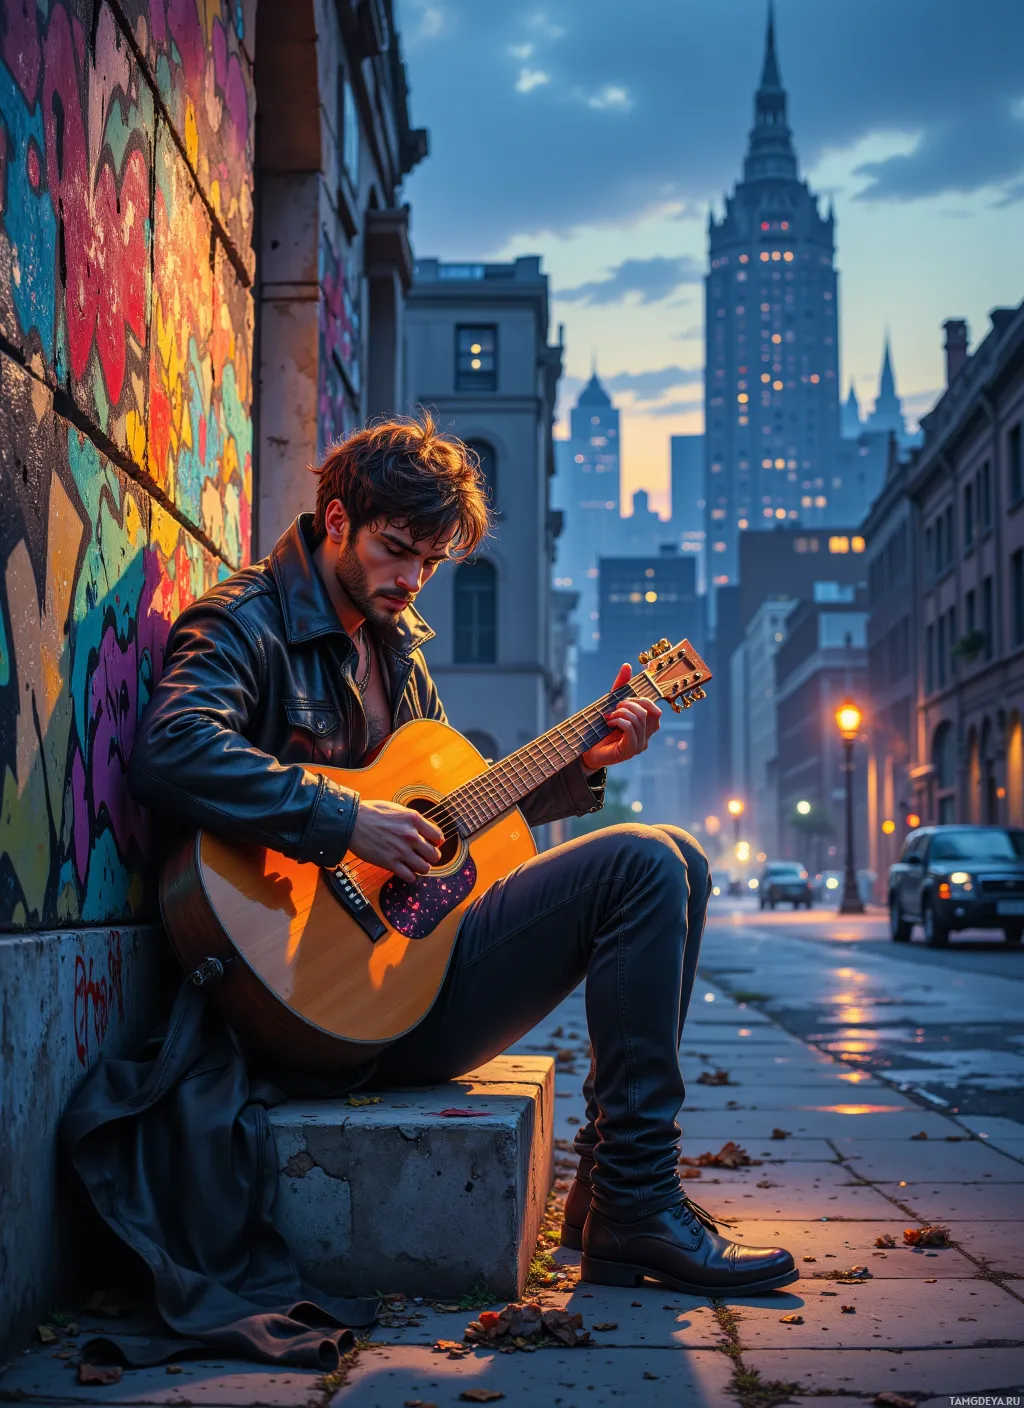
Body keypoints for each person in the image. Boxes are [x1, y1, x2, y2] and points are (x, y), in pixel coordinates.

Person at [129, 412, 797, 1297]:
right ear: (337, 523)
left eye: (432, 562)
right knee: (642, 859)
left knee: (677, 854)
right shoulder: (245, 623)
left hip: (403, 981)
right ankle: (635, 1204)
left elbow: (458, 824)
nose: (412, 579)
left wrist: (579, 768)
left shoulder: (398, 653)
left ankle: (615, 1195)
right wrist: (341, 819)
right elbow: (172, 747)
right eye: (396, 549)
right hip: (298, 1011)